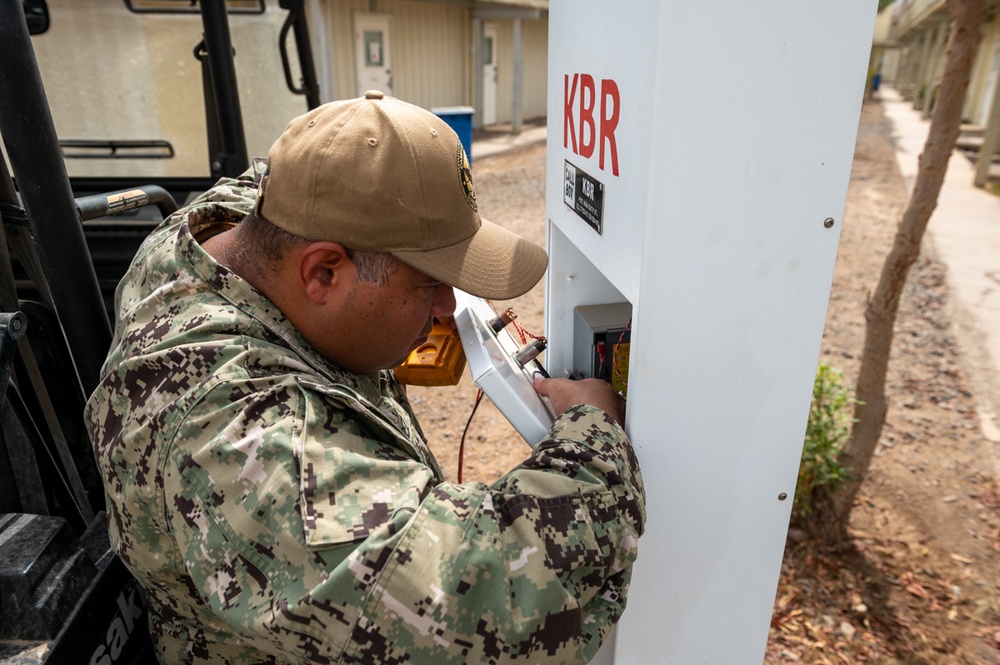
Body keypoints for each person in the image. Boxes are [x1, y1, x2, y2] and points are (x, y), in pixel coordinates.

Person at [86, 91, 645, 665]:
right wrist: (593, 432)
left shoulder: (237, 230)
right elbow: (487, 609)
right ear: (323, 272)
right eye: (429, 284)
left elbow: (282, 177)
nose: (448, 307)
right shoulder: (236, 437)